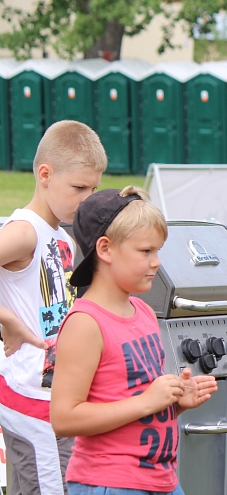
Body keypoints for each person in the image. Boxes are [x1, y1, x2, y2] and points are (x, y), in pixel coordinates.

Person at [49, 186, 218, 495]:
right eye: (145, 251)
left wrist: (173, 402)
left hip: (162, 481)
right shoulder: (85, 324)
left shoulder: (144, 312)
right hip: (109, 484)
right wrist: (146, 401)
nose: (157, 263)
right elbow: (63, 417)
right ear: (105, 249)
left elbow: (138, 401)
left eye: (157, 251)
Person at [0, 120, 106, 495]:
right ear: (45, 174)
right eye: (79, 187)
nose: (88, 198)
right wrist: (6, 318)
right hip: (31, 401)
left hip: (58, 397)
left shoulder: (62, 236)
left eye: (93, 188)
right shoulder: (24, 231)